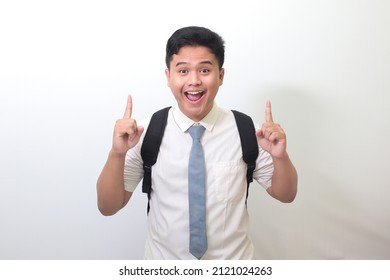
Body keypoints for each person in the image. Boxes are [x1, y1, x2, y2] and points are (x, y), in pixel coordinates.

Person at [97, 26, 297, 260]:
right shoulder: (145, 132)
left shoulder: (245, 130)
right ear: (168, 76)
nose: (194, 81)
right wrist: (117, 154)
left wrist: (280, 157)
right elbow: (107, 207)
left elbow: (286, 195)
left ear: (220, 76)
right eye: (183, 71)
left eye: (204, 70)